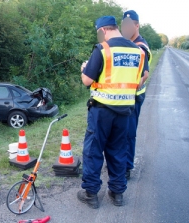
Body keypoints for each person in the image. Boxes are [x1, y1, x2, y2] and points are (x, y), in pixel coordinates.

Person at [77, 16, 145, 208]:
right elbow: (139, 80)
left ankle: (90, 193)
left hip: (102, 111)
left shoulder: (103, 49)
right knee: (118, 151)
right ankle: (117, 193)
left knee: (93, 151)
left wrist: (84, 69)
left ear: (102, 31)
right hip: (125, 111)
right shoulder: (138, 51)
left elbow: (87, 81)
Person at [121, 10, 152, 179]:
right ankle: (120, 162)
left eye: (128, 25)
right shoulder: (127, 44)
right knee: (121, 131)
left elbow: (144, 74)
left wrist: (128, 89)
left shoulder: (140, 46)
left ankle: (126, 167)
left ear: (137, 25)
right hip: (125, 98)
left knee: (128, 132)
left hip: (134, 97)